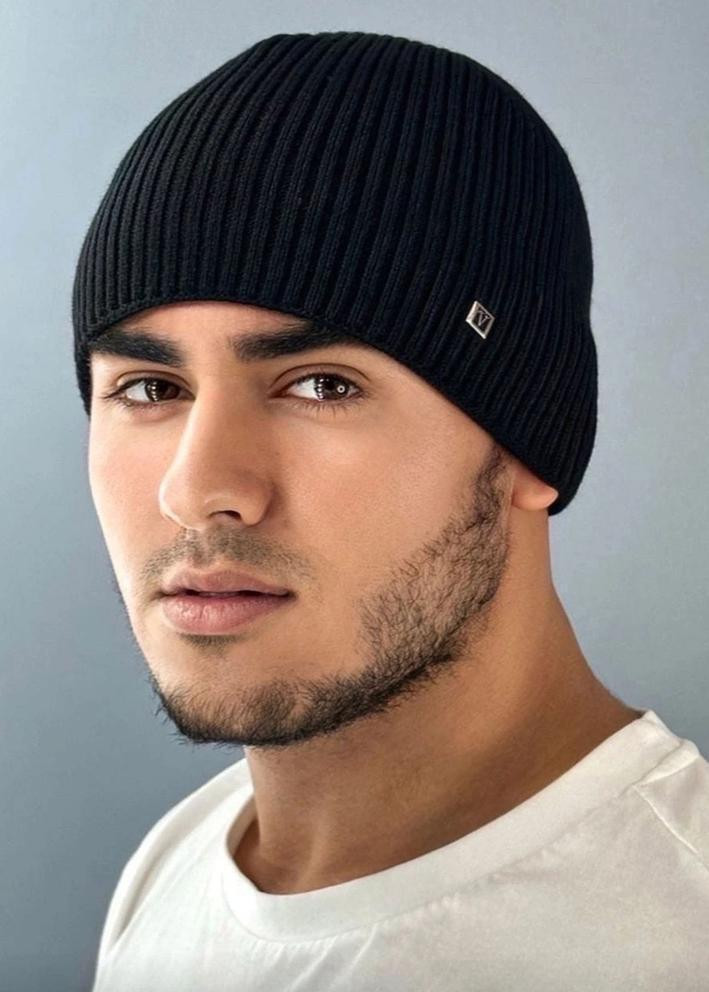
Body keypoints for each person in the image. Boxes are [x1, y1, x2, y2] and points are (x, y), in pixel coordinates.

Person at [72, 30, 709, 992]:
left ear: (525, 445)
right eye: (150, 389)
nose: (196, 489)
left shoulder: (677, 934)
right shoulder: (176, 870)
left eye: (320, 385)